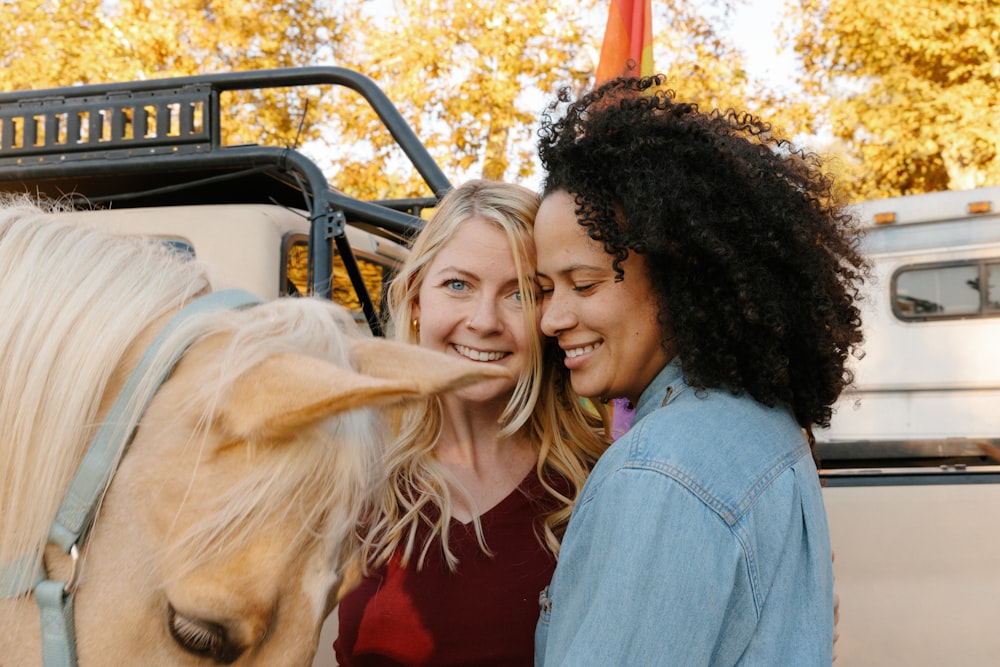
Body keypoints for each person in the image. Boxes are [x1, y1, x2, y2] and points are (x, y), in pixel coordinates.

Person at [531, 76, 867, 665]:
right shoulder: (763, 424)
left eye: (583, 283)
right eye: (543, 289)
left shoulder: (660, 471)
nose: (552, 318)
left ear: (679, 276)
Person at [334, 179, 610, 666]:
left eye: (520, 293)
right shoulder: (352, 471)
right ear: (417, 300)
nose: (484, 321)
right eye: (457, 285)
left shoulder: (600, 481)